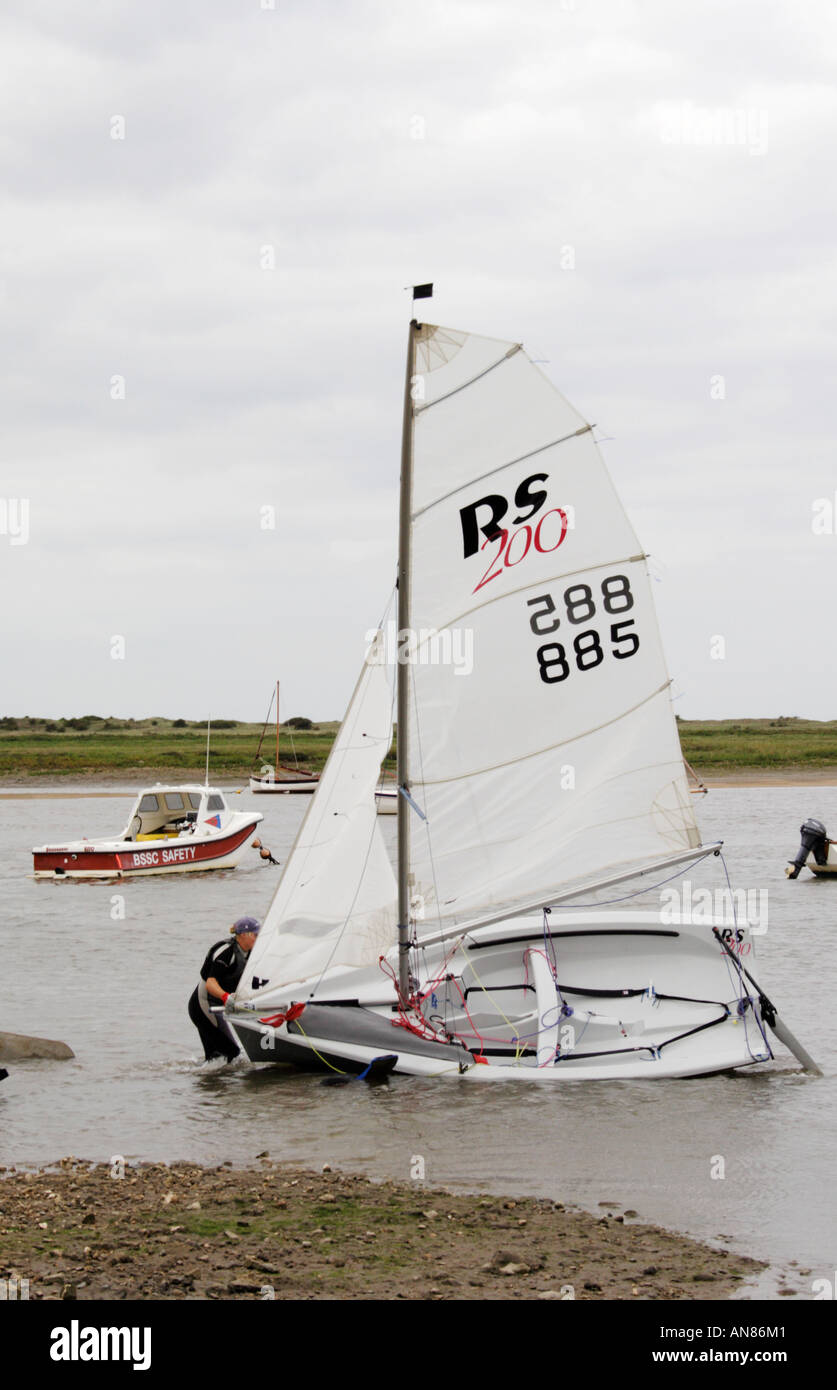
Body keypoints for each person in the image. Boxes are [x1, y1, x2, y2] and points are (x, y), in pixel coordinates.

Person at [188, 917, 261, 1063]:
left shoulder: (253, 953)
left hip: (217, 1006)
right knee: (232, 1053)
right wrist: (226, 996)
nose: (259, 938)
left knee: (216, 1057)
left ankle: (208, 1082)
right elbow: (211, 983)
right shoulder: (226, 951)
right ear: (242, 935)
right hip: (203, 1007)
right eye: (255, 934)